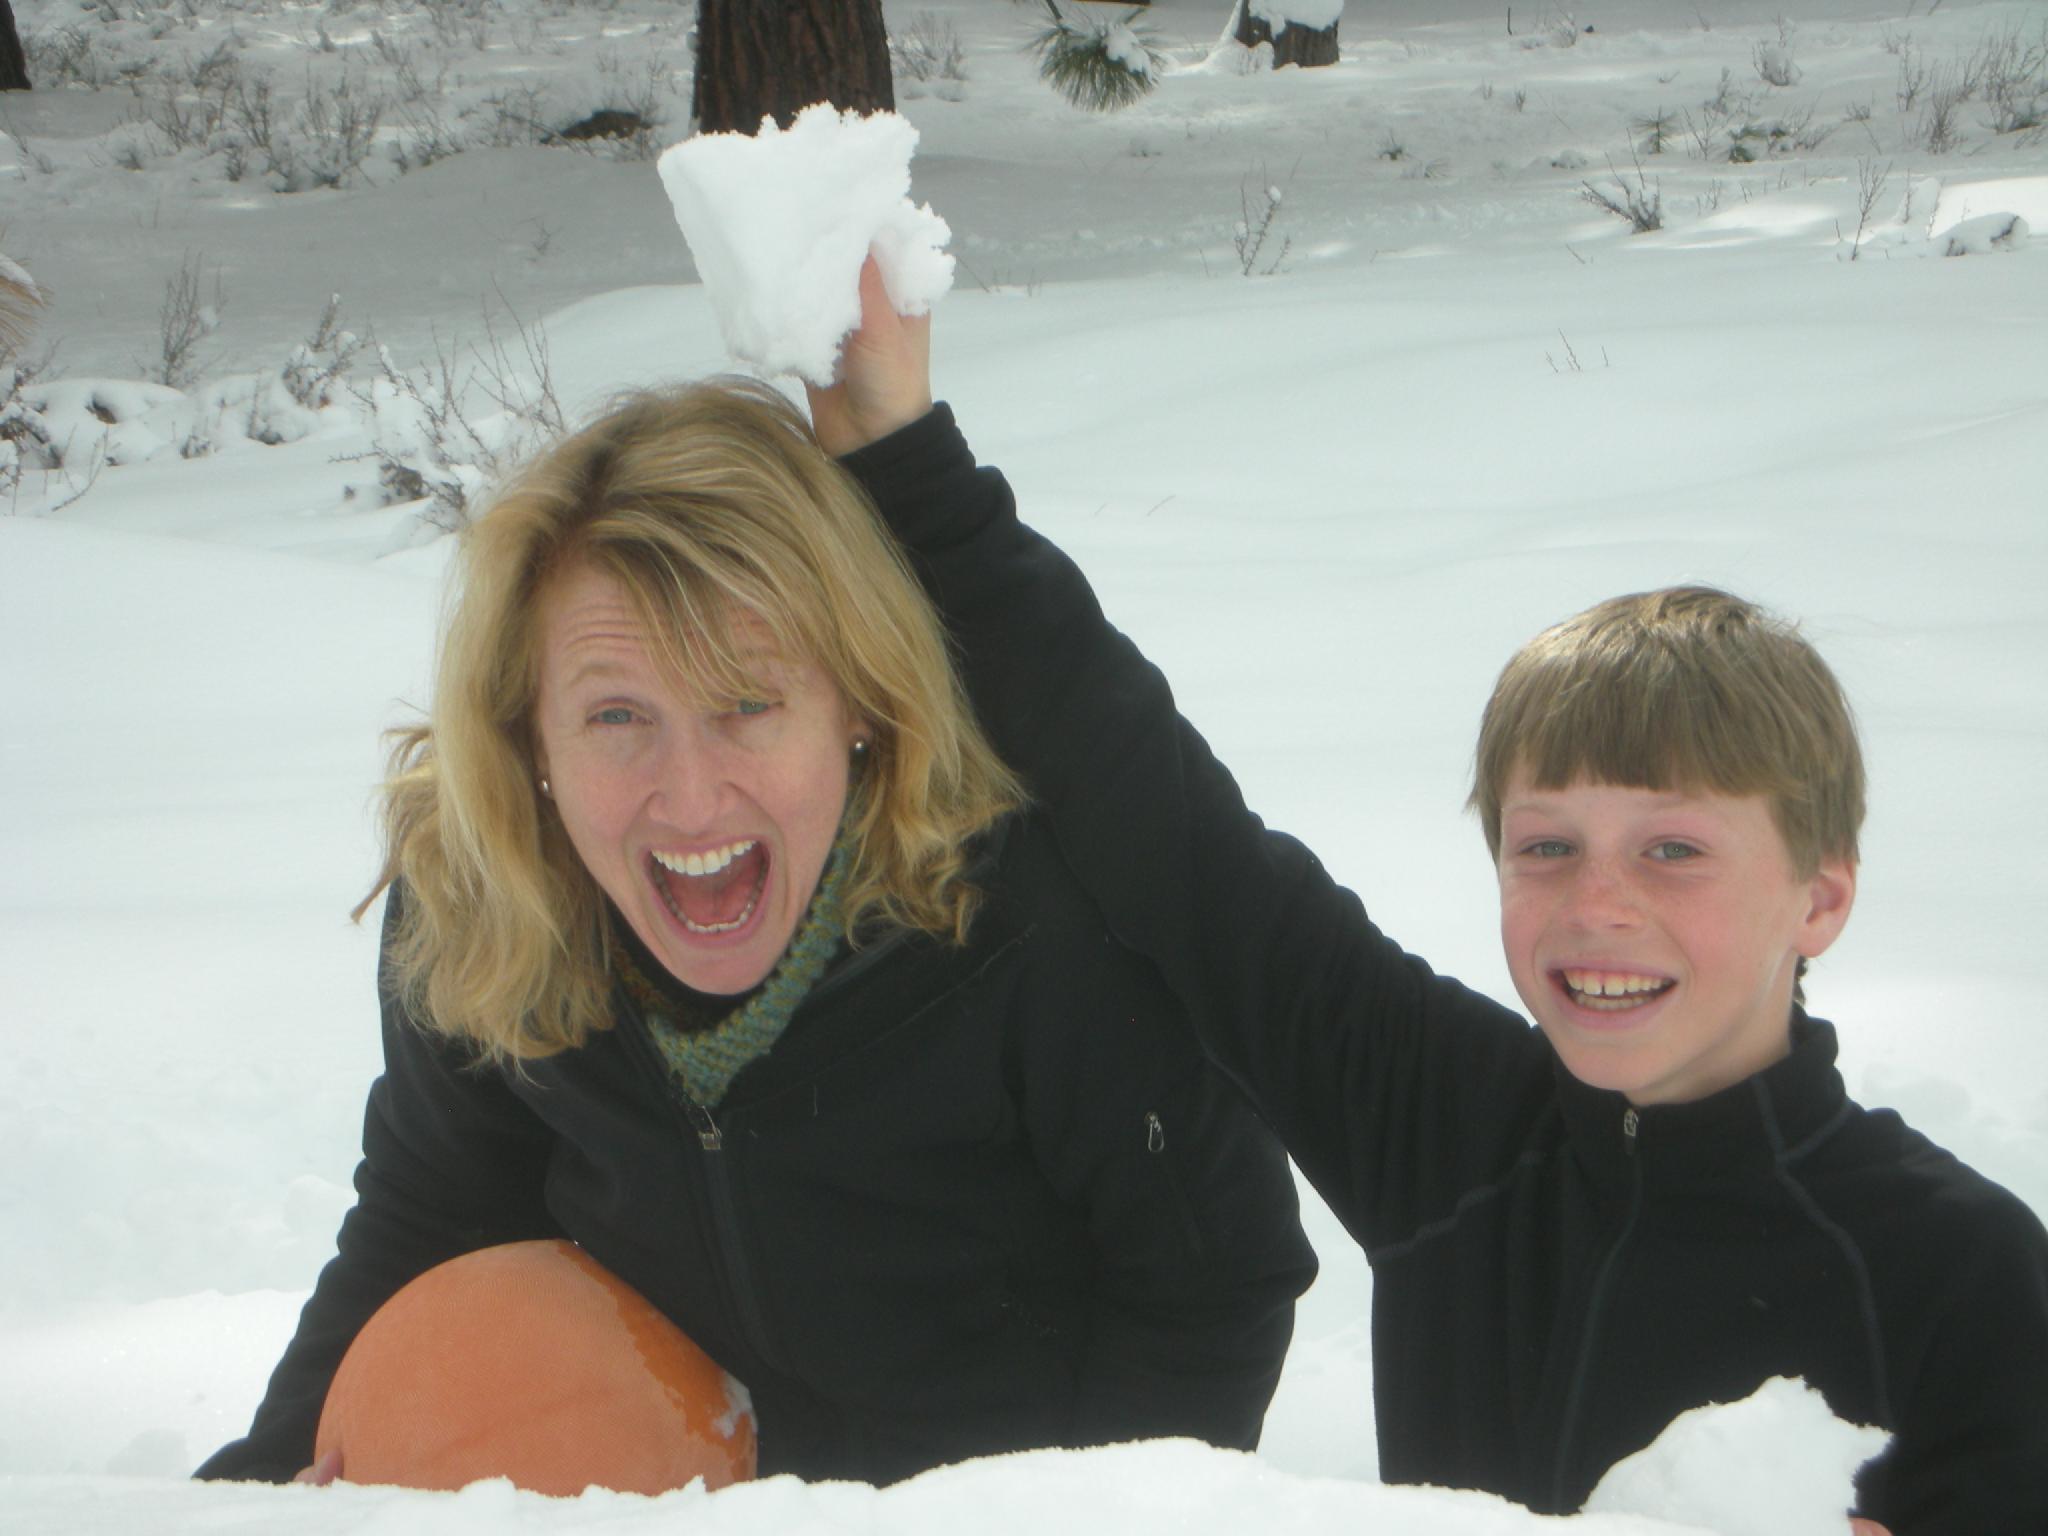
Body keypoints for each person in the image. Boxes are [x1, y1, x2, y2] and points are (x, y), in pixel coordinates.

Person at [809, 273, 2048, 1534]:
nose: (1596, 902)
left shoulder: (1958, 1275)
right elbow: (1164, 827)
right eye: (1545, 846)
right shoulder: (1448, 1133)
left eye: (1672, 849)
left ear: (1818, 899)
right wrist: (899, 456)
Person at [196, 378, 1315, 1489]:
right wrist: (254, 1496)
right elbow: (433, 1216)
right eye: (616, 716)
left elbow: (1214, 1278)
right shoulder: (486, 899)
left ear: (858, 700)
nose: (690, 798)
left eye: (747, 703)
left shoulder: (1026, 903)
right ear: (527, 734)